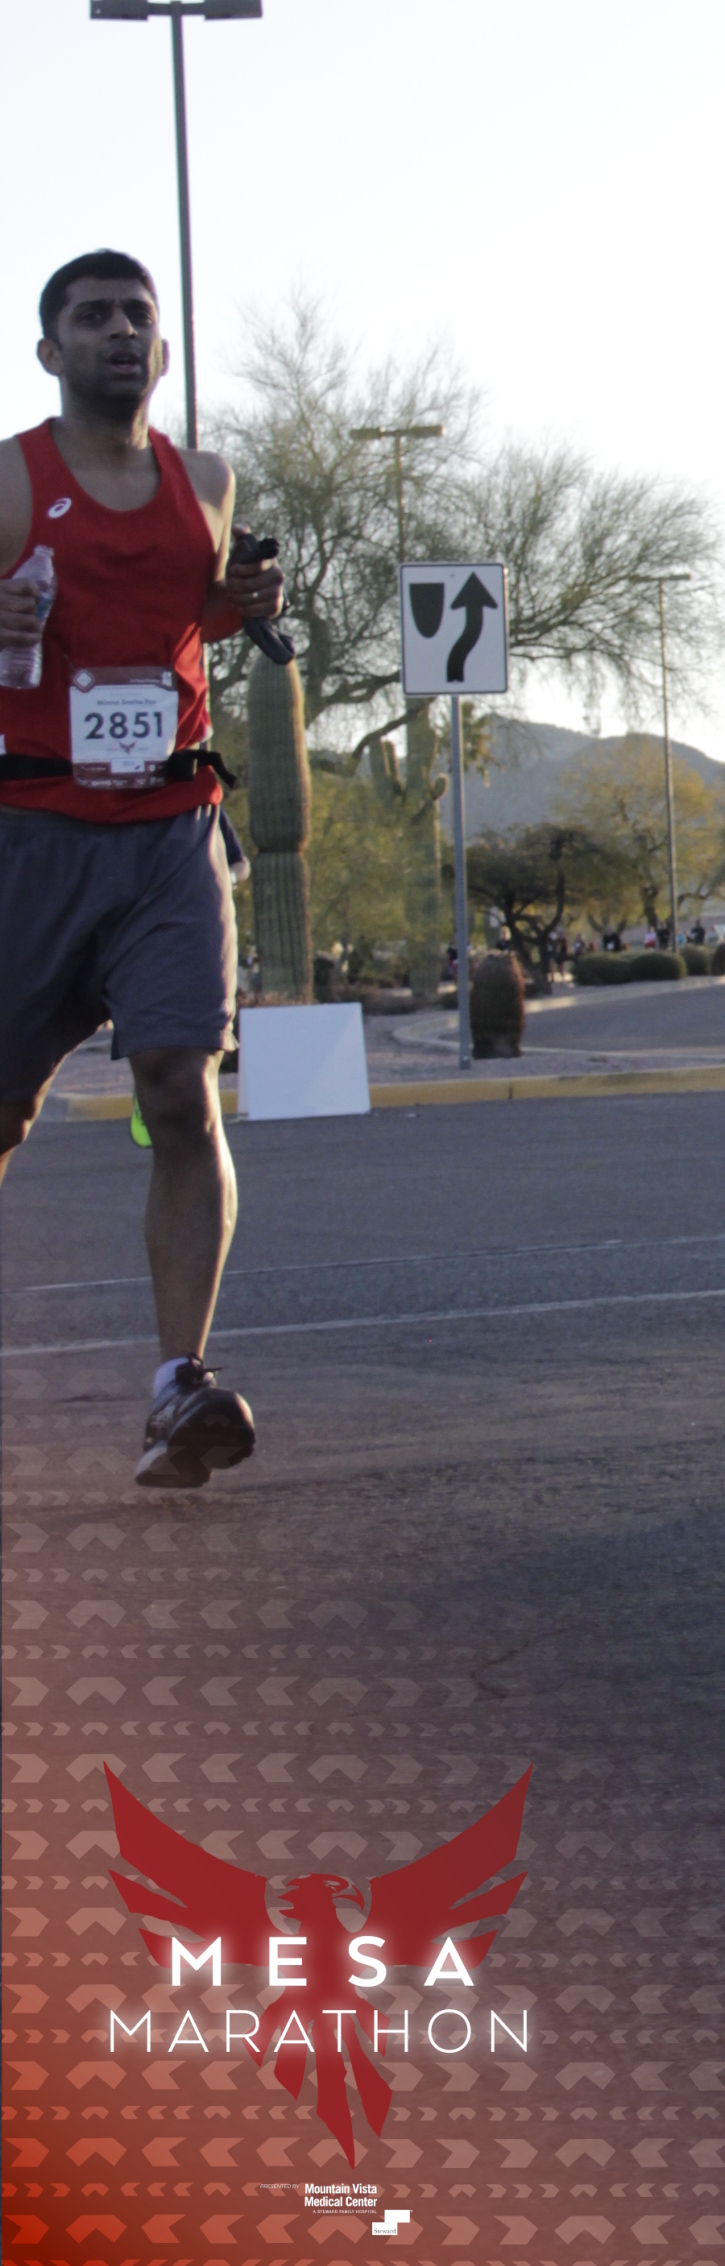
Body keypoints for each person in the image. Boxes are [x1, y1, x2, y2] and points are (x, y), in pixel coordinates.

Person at [0, 252, 285, 1490]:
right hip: (31, 835)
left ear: (161, 354)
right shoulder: (11, 480)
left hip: (171, 827)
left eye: (137, 316)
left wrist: (242, 599)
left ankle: (180, 1382)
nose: (118, 331)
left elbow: (184, 617)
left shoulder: (205, 484)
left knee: (180, 1090)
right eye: (91, 316)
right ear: (50, 350)